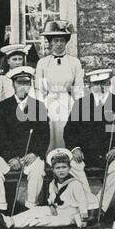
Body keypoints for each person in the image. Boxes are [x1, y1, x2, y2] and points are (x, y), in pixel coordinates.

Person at [64, 69, 115, 217]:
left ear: (109, 83)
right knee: (74, 165)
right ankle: (90, 203)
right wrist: (75, 148)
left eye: (103, 83)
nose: (100, 87)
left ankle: (99, 208)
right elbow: (69, 131)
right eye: (96, 84)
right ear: (89, 86)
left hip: (112, 154)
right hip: (86, 154)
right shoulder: (81, 104)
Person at [0, 66, 50, 213]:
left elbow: (44, 135)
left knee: (38, 170)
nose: (23, 87)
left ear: (30, 85)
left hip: (30, 156)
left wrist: (35, 153)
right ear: (13, 84)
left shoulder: (38, 106)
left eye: (26, 83)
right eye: (19, 83)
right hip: (8, 156)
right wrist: (10, 157)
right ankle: (1, 209)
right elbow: (0, 136)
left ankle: (30, 207)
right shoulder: (3, 107)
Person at [0, 148, 91, 228]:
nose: (61, 171)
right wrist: (52, 206)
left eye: (64, 167)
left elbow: (82, 202)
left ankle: (16, 223)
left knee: (42, 220)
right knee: (35, 211)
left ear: (69, 168)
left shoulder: (75, 184)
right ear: (53, 170)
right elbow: (52, 199)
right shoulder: (53, 184)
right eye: (58, 168)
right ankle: (10, 220)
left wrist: (83, 219)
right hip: (56, 210)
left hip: (70, 215)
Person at [35, 20, 85, 151]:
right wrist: (41, 107)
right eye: (55, 40)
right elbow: (39, 88)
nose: (58, 44)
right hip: (49, 102)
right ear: (50, 42)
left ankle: (66, 162)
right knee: (50, 133)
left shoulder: (74, 62)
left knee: (66, 131)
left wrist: (77, 107)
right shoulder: (43, 62)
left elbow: (78, 87)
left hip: (67, 102)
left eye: (61, 40)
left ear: (66, 42)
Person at [0, 44, 32, 161]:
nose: (18, 62)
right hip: (7, 117)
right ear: (8, 61)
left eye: (20, 59)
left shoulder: (29, 77)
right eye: (14, 59)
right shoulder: (2, 79)